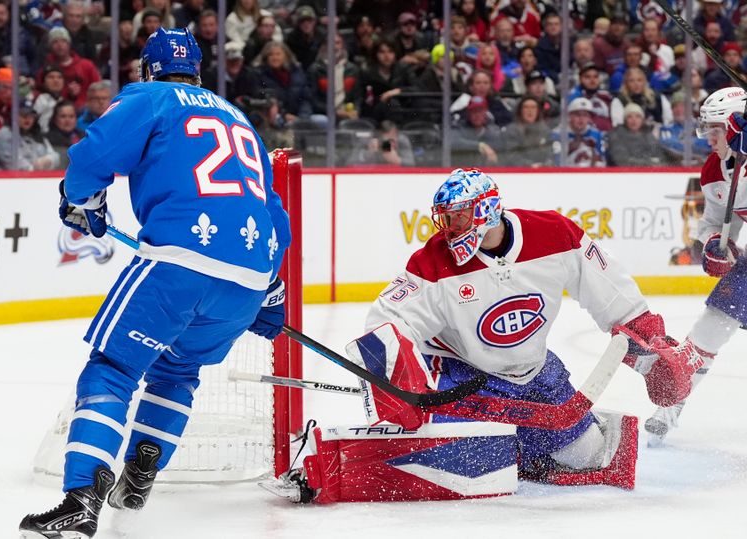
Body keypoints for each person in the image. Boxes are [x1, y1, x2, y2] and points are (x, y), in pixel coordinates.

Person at [18, 27, 291, 537]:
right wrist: (271, 288)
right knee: (178, 371)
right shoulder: (242, 120)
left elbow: (91, 158)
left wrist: (84, 202)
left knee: (113, 366)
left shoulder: (151, 97)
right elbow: (275, 218)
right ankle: (140, 475)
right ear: (200, 71)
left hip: (178, 265)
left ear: (149, 67)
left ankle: (82, 497)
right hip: (249, 278)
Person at [284, 169, 691, 502]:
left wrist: (652, 352)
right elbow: (387, 321)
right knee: (469, 463)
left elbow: (613, 295)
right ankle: (507, 445)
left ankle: (526, 445)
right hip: (463, 379)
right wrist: (399, 384)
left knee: (584, 457)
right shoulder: (432, 263)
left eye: (457, 217)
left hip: (536, 374)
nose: (448, 228)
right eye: (444, 218)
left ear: (487, 211)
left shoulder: (556, 235)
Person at [644, 87, 747, 445]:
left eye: (715, 130)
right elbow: (716, 223)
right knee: (712, 325)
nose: (708, 139)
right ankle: (673, 403)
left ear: (736, 125)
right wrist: (716, 245)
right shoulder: (715, 170)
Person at [0, 100, 61, 170]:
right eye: (23, 115)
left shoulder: (36, 135)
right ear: (13, 116)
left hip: (32, 180)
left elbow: (55, 157)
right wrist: (35, 166)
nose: (27, 118)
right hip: (2, 181)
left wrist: (48, 160)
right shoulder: (4, 135)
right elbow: (15, 165)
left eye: (31, 115)